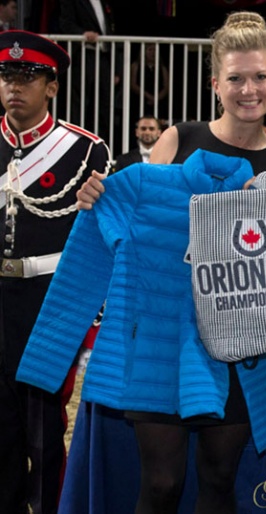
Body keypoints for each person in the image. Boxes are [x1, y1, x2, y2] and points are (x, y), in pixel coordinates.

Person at [72, 11, 266, 514]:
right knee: (162, 483)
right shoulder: (179, 138)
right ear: (216, 83)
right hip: (163, 341)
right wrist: (99, 197)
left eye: (260, 77)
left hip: (237, 352)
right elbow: (137, 217)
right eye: (236, 78)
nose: (248, 89)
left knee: (218, 480)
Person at [0, 30, 111, 514]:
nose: (14, 86)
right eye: (7, 75)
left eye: (28, 76)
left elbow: (100, 236)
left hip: (51, 300)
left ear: (52, 86)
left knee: (45, 429)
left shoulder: (84, 151)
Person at [58, 0, 119, 143]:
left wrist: (115, 68)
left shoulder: (104, 3)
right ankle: (74, 143)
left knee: (104, 104)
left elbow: (109, 30)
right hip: (83, 56)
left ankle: (102, 144)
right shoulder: (74, 2)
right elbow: (65, 23)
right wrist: (82, 33)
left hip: (104, 57)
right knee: (79, 103)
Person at [129, 42, 169, 124]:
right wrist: (148, 96)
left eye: (155, 50)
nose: (153, 52)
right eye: (150, 50)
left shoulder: (162, 67)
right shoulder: (136, 65)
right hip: (140, 99)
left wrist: (156, 98)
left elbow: (166, 86)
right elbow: (133, 84)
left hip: (158, 100)